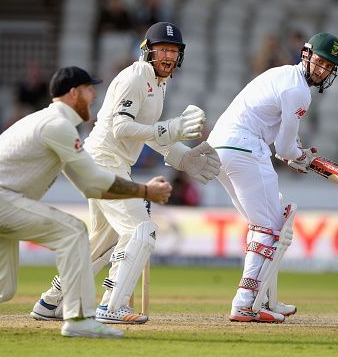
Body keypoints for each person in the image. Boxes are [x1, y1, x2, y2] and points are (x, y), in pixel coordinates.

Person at [0, 66, 173, 339]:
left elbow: (89, 185)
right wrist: (144, 191)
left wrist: (138, 192)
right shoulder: (59, 126)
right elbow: (93, 183)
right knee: (73, 231)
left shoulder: (45, 121)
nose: (95, 96)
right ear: (74, 93)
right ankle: (79, 319)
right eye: (89, 90)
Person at [29, 22, 221, 325]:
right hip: (103, 162)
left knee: (102, 244)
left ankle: (52, 303)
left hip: (108, 163)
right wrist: (170, 128)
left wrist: (181, 156)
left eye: (174, 51)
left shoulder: (159, 83)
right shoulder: (135, 78)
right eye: (162, 50)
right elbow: (121, 128)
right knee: (141, 231)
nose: (168, 57)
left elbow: (145, 135)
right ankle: (111, 305)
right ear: (148, 51)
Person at [206, 32, 338, 323]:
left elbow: (282, 146)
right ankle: (245, 303)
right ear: (306, 55)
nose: (322, 70)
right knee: (269, 227)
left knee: (269, 224)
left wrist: (296, 156)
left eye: (329, 67)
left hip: (221, 148)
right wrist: (301, 156)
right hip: (245, 147)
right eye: (319, 62)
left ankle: (265, 299)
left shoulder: (282, 75)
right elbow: (284, 148)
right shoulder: (299, 91)